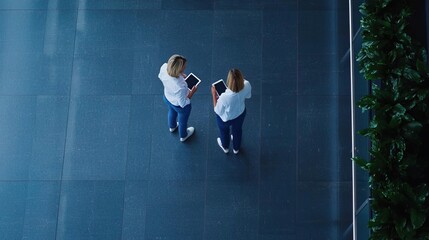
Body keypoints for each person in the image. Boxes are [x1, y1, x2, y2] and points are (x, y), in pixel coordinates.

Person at [211, 68, 251, 154]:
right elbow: (248, 96)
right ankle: (236, 149)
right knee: (237, 130)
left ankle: (225, 147)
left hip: (226, 119)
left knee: (224, 131)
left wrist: (214, 95)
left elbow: (217, 110)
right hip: (240, 114)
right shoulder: (247, 84)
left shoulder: (224, 97)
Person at [158, 54, 198, 142]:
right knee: (182, 120)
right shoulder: (180, 86)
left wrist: (179, 75)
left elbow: (161, 76)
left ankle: (172, 127)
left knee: (171, 111)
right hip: (179, 106)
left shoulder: (164, 67)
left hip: (167, 98)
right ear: (179, 69)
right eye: (184, 67)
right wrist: (192, 92)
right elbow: (183, 103)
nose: (185, 67)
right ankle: (183, 135)